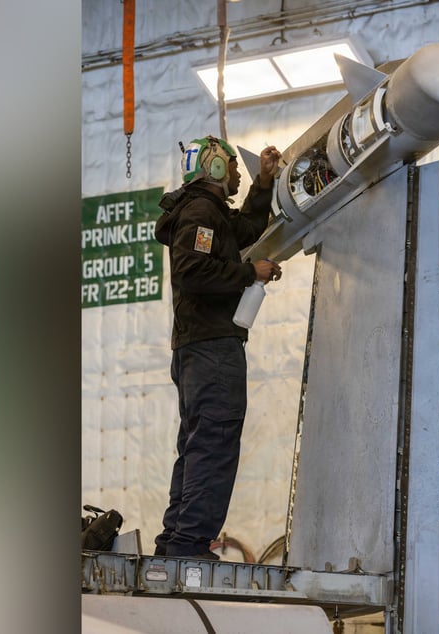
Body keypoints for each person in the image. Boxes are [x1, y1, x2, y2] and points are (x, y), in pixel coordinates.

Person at [153, 135, 283, 559]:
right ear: (211, 168)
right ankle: (190, 544)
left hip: (197, 350)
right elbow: (193, 271)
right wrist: (249, 273)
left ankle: (176, 540)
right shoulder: (200, 212)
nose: (237, 172)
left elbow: (245, 229)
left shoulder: (207, 214)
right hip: (212, 350)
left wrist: (263, 185)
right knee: (214, 443)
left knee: (197, 444)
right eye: (231, 166)